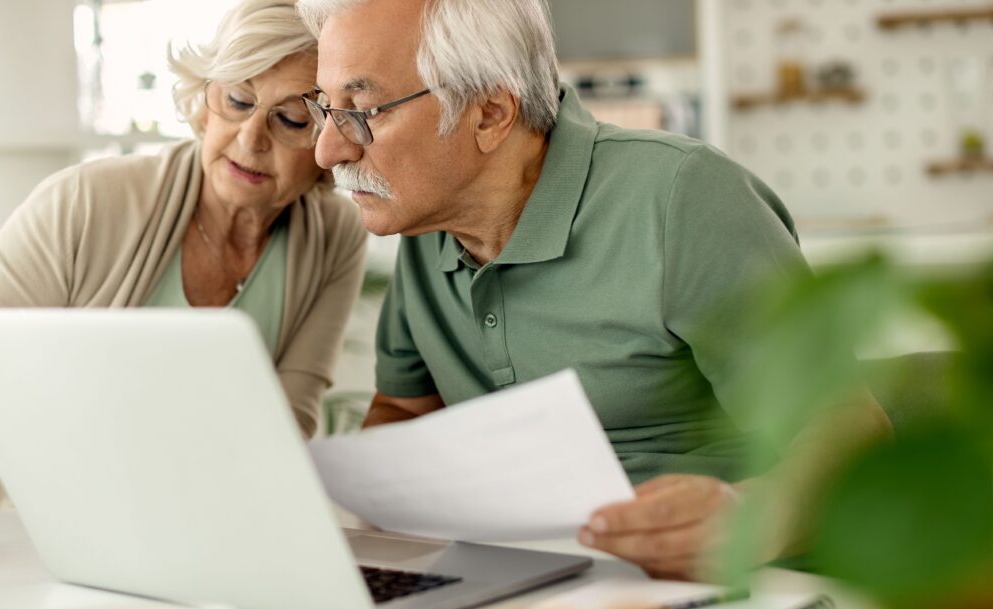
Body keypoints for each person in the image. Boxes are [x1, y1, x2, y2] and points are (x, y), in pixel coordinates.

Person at [295, 0, 891, 579]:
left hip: (738, 589)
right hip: (534, 583)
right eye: (325, 107)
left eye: (363, 111)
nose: (328, 149)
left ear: (490, 113)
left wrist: (746, 519)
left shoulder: (683, 199)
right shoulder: (426, 222)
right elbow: (403, 409)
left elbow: (850, 437)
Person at [0, 0, 366, 513]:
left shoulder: (334, 236)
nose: (250, 139)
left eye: (292, 119)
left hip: (178, 530)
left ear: (331, 139)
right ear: (203, 102)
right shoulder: (87, 200)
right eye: (236, 99)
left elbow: (286, 426)